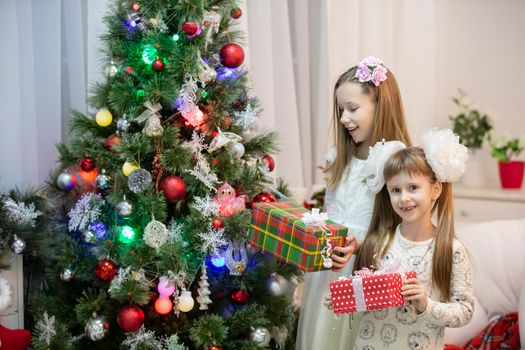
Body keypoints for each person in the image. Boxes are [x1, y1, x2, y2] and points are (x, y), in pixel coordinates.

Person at [296, 57, 411, 350]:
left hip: (363, 272)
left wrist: (361, 244)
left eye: (353, 108)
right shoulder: (337, 157)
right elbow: (333, 213)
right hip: (326, 270)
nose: (344, 118)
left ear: (380, 105)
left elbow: (401, 229)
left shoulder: (393, 163)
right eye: (341, 109)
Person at [335, 129, 474, 349]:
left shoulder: (451, 250)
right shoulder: (379, 242)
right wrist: (343, 298)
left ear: (435, 189)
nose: (404, 198)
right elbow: (365, 295)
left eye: (413, 188)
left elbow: (465, 311)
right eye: (396, 190)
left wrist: (425, 304)